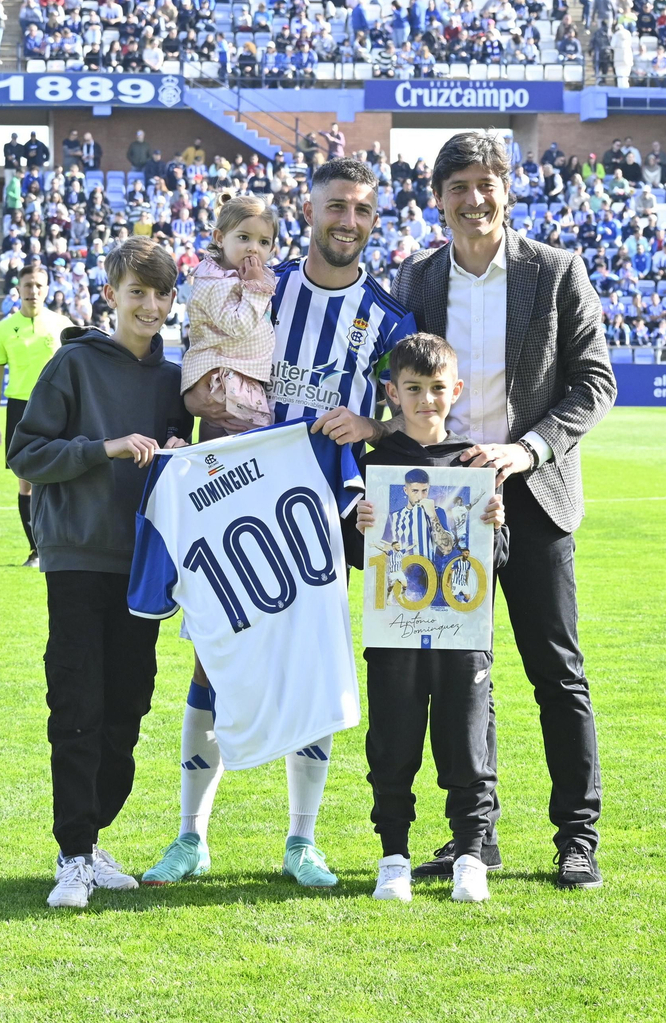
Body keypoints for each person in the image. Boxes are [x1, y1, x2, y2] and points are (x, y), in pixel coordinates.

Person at [145, 156, 416, 889]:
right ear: (309, 212)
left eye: (361, 209)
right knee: (213, 658)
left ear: (373, 217)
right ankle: (190, 836)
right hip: (232, 499)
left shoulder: (389, 319)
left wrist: (374, 421)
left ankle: (303, 841)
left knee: (315, 662)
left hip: (317, 516)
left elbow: (417, 411)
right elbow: (200, 349)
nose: (348, 221)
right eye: (336, 207)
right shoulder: (264, 284)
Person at [390, 131, 616, 890]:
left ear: (507, 188)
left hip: (535, 494)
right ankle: (474, 838)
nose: (474, 200)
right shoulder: (417, 281)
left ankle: (576, 838)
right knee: (463, 677)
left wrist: (529, 450)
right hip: (449, 499)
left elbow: (594, 384)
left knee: (556, 671)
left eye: (486, 183)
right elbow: (392, 383)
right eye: (459, 187)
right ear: (439, 198)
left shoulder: (555, 272)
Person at [6, 238, 193, 908]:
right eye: (136, 292)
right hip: (79, 557)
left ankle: (92, 836)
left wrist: (179, 450)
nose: (149, 304)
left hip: (143, 566)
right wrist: (104, 447)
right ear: (111, 294)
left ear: (174, 301)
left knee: (129, 705)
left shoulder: (175, 380)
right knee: (78, 703)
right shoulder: (73, 364)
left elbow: (186, 466)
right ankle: (74, 853)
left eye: (160, 293)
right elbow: (25, 454)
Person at [347, 333, 507, 904]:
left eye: (437, 388)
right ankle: (394, 856)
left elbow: (493, 558)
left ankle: (470, 853)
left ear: (456, 391)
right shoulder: (373, 466)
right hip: (396, 629)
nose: (426, 400)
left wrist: (494, 521)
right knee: (392, 744)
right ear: (392, 393)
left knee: (466, 745)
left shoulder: (472, 464)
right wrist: (359, 526)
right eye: (412, 389)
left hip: (460, 630)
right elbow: (351, 555)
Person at [0, 263, 74, 567]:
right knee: (26, 482)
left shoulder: (63, 325)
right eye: (28, 285)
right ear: (18, 289)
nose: (33, 291)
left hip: (58, 407)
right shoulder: (4, 328)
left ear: (47, 288)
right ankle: (36, 549)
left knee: (64, 476)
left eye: (38, 285)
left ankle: (63, 541)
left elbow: (79, 371)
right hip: (21, 409)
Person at [181, 195, 279, 435]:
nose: (253, 248)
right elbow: (237, 326)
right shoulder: (217, 281)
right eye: (244, 237)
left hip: (240, 376)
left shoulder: (244, 276)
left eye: (264, 242)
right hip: (225, 382)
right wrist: (255, 289)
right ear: (220, 238)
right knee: (240, 449)